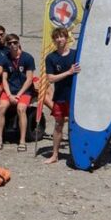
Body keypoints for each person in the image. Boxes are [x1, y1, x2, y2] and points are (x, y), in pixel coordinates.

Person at [44, 27, 79, 165]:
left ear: (67, 38)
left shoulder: (76, 54)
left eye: (62, 36)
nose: (59, 39)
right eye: (56, 37)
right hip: (60, 96)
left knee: (75, 125)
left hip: (75, 96)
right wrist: (68, 72)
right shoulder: (51, 58)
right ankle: (55, 155)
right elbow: (51, 78)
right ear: (53, 40)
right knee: (58, 124)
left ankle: (76, 155)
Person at [0, 34, 36, 151]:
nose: (12, 45)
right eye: (9, 43)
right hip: (10, 90)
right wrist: (9, 95)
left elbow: (29, 79)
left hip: (24, 91)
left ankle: (22, 140)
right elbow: (4, 79)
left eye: (15, 42)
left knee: (21, 108)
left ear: (19, 42)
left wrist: (18, 95)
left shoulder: (28, 58)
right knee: (1, 107)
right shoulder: (5, 58)